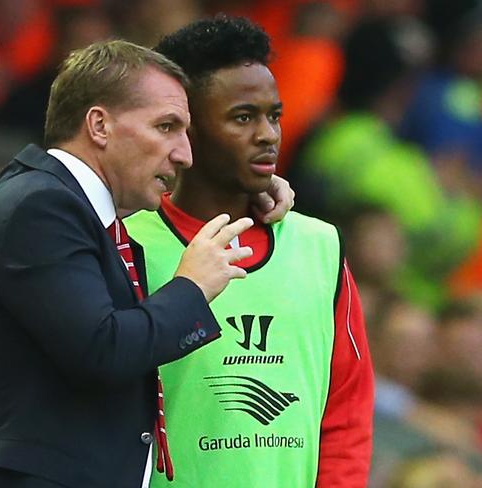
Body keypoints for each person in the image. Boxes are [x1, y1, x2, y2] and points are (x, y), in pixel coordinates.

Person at [0, 39, 293, 488]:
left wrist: (248, 192)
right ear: (99, 125)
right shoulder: (38, 207)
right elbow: (104, 349)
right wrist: (193, 287)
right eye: (166, 127)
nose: (184, 154)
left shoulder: (79, 211)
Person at [125, 15, 374, 487]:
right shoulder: (128, 241)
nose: (268, 134)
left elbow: (345, 413)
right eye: (243, 117)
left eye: (273, 115)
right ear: (186, 129)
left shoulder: (320, 245)